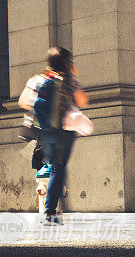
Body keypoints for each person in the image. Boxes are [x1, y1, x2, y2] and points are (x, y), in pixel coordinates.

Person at [18, 46, 88, 226]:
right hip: (63, 130)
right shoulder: (69, 79)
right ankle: (51, 212)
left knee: (56, 167)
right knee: (58, 168)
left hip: (44, 131)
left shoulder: (37, 79)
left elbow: (23, 102)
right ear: (67, 62)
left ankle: (54, 209)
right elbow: (83, 101)